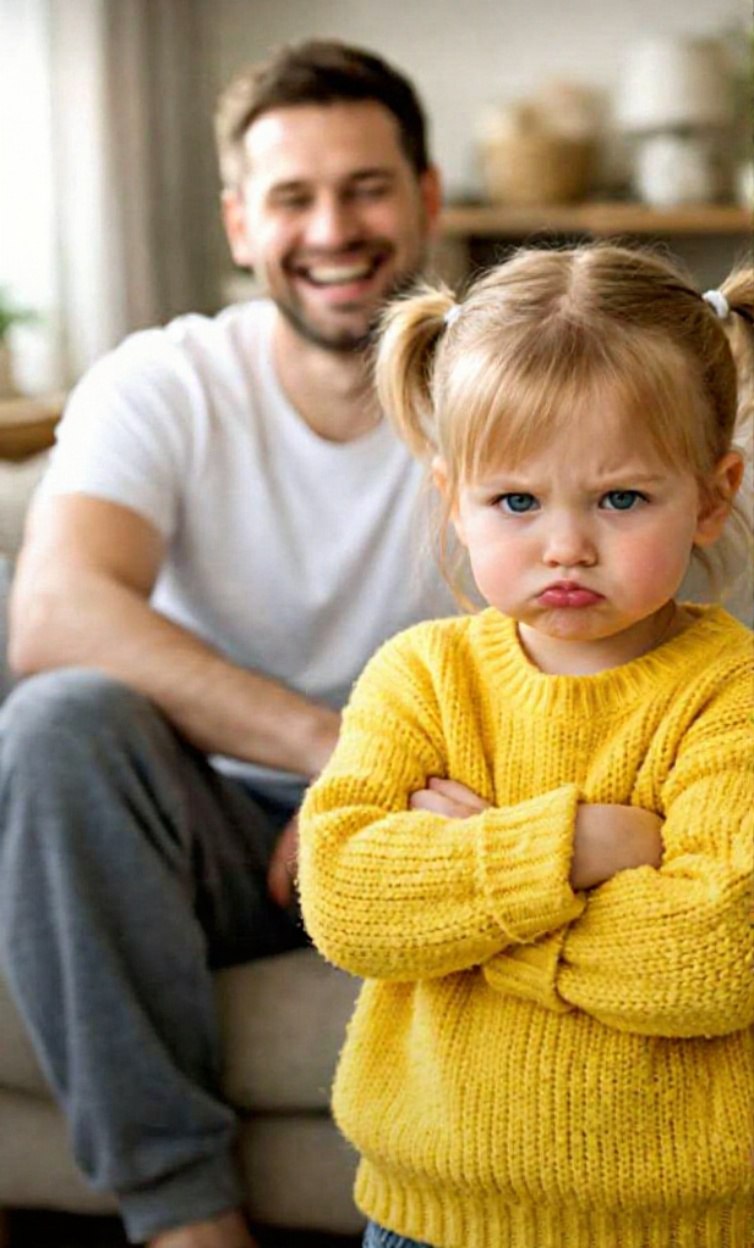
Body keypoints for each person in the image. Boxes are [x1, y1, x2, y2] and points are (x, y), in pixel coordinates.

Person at [0, 40, 455, 1248]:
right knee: (59, 724)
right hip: (216, 821)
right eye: (292, 197)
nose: (333, 230)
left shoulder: (505, 383)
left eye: (365, 188)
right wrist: (337, 754)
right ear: (241, 222)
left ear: (426, 196)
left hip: (437, 817)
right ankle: (184, 1221)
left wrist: (374, 795)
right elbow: (55, 612)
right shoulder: (164, 381)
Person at [298, 244, 754, 1248]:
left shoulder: (733, 695)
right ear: (452, 498)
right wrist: (575, 848)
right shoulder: (420, 678)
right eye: (516, 501)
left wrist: (470, 912)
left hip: (687, 1229)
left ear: (713, 493)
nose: (565, 546)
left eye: (620, 499)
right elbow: (343, 898)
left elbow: (717, 955)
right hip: (425, 1218)